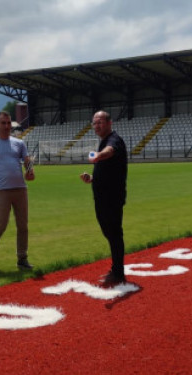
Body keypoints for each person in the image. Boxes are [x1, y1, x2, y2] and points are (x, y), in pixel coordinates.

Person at [0, 111, 35, 271]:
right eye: (3, 123)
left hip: (20, 189)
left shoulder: (19, 143)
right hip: (1, 190)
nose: (6, 126)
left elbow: (27, 161)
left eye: (9, 123)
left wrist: (30, 171)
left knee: (23, 226)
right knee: (0, 225)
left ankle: (22, 258)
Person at [80, 110, 128, 286]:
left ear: (109, 123)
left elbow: (110, 152)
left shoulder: (114, 140)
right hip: (102, 197)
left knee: (114, 233)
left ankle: (118, 272)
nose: (97, 126)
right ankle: (116, 268)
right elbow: (107, 170)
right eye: (94, 123)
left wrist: (97, 155)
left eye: (100, 122)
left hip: (112, 197)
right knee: (108, 232)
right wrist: (92, 178)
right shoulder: (103, 142)